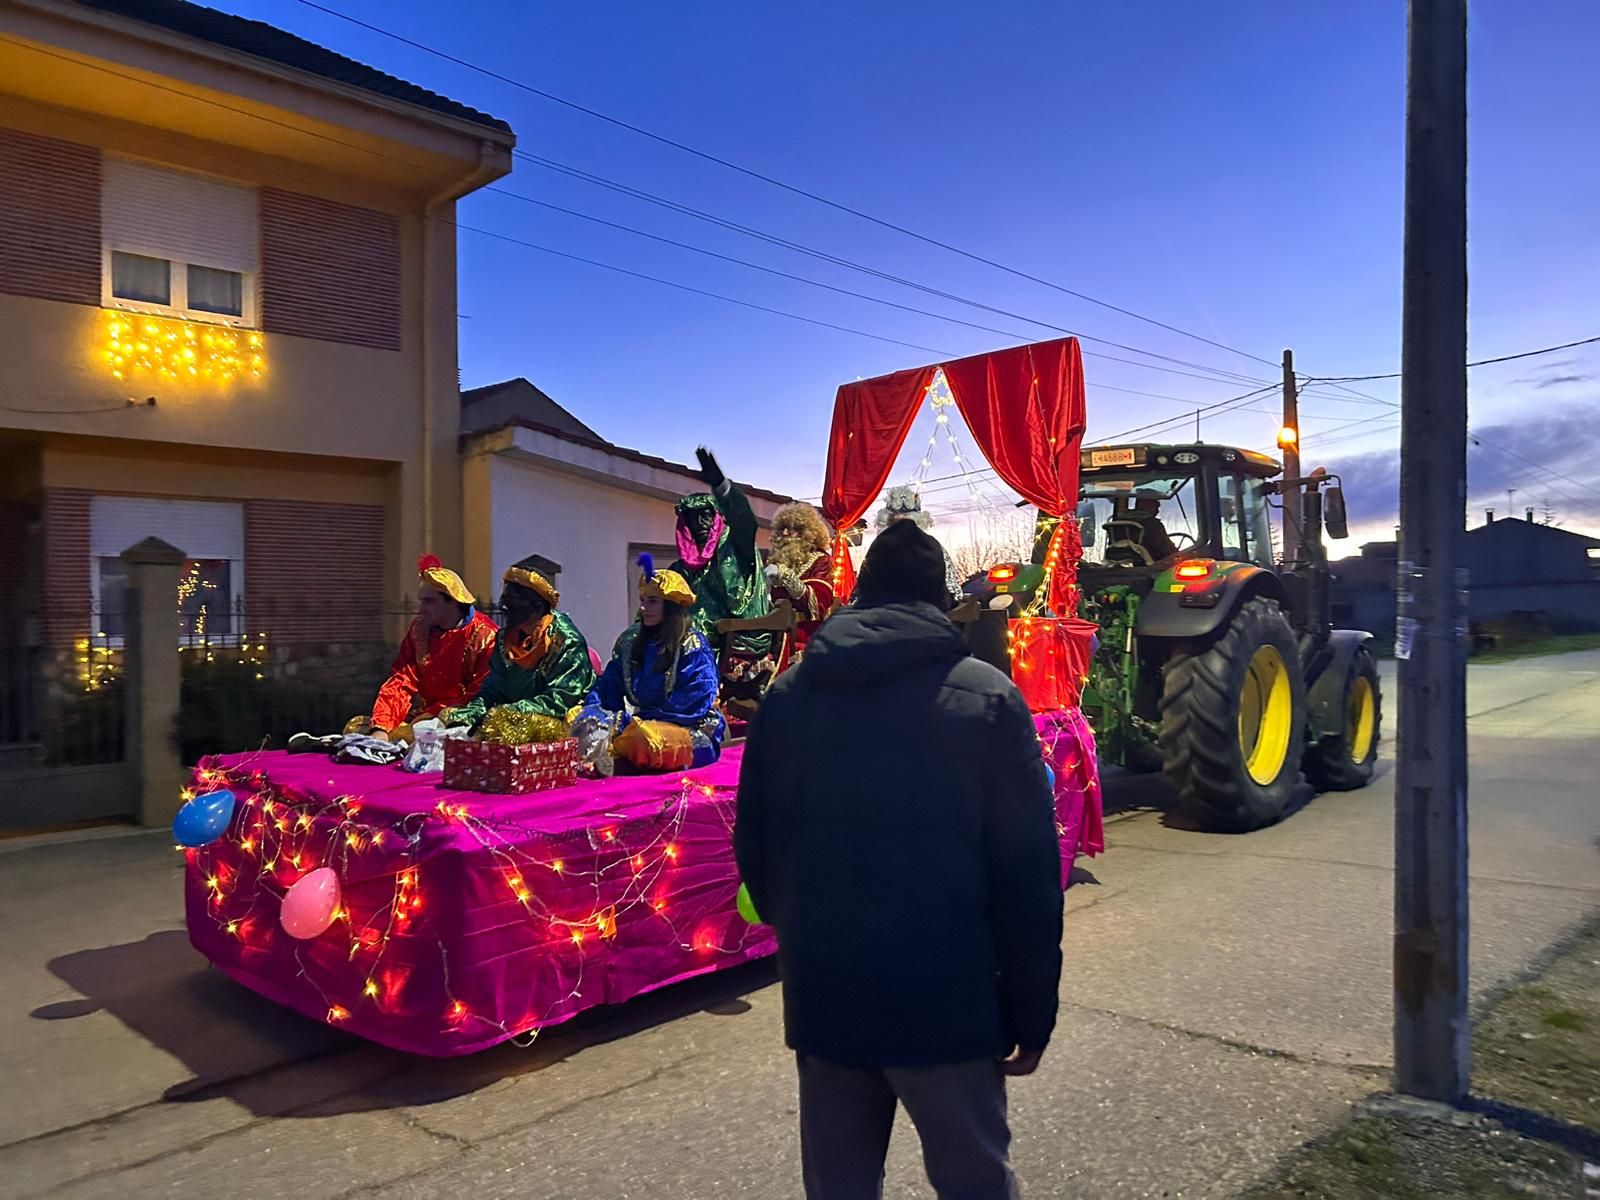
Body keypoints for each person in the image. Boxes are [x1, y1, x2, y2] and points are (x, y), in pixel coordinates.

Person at [734, 519, 1063, 1200]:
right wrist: (1031, 1013)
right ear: (940, 600)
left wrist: (803, 932)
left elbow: (755, 845)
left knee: (839, 1186)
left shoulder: (789, 697)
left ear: (861, 597)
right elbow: (1027, 876)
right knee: (974, 1182)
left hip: (827, 1001)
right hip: (949, 1006)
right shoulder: (988, 699)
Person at [583, 554, 726, 770]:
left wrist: (634, 723)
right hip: (636, 724)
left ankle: (623, 764)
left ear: (670, 606)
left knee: (649, 739)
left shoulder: (693, 645)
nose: (643, 608)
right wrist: (596, 711)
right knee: (582, 720)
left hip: (687, 728)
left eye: (652, 601)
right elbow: (608, 685)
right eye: (642, 601)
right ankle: (621, 757)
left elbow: (692, 704)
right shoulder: (631, 642)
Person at [444, 555, 597, 731]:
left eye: (514, 600)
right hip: (509, 720)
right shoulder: (505, 639)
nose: (505, 607)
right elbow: (492, 690)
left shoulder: (566, 641)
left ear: (538, 604)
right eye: (505, 599)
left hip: (558, 723)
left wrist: (505, 713)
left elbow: (561, 699)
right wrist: (472, 714)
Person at [354, 555, 497, 741]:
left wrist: (432, 717)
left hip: (462, 721)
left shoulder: (485, 635)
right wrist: (381, 727)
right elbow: (401, 680)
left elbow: (479, 695)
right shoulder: (419, 630)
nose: (421, 609)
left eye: (429, 601)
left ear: (452, 601)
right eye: (421, 601)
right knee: (357, 727)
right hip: (423, 719)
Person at [764, 501, 836, 671]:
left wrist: (786, 576)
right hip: (774, 632)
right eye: (782, 528)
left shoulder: (821, 560)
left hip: (805, 635)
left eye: (792, 528)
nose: (786, 533)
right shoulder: (775, 560)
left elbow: (819, 602)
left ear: (807, 533)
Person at [875, 484, 965, 605]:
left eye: (907, 523)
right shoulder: (880, 550)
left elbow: (950, 588)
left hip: (925, 610)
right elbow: (868, 586)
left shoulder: (931, 547)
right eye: (896, 523)